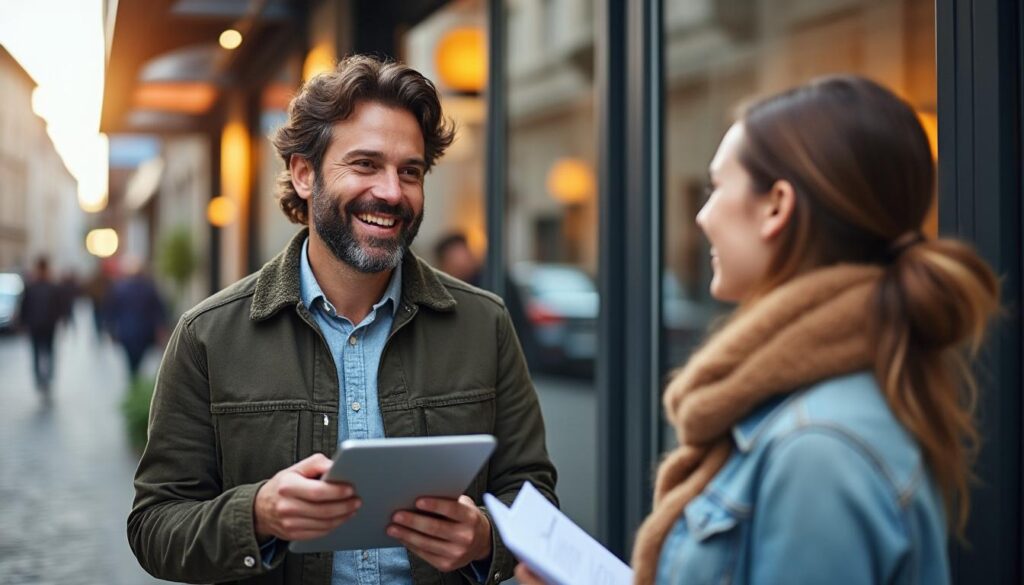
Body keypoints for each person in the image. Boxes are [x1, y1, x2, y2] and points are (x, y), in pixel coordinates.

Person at [517, 75, 999, 584]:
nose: (702, 217)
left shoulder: (817, 452)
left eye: (716, 187)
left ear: (776, 206)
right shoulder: (820, 415)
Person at [128, 55, 557, 585]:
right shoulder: (208, 335)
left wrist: (485, 538)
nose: (392, 193)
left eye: (410, 172)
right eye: (365, 164)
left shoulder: (484, 324)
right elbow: (155, 526)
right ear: (304, 174)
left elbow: (533, 498)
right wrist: (257, 513)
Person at [106, 257, 166, 378]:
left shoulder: (119, 288)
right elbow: (159, 311)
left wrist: (111, 330)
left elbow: (111, 311)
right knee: (138, 363)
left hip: (126, 332)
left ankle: (133, 378)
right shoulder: (148, 287)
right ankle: (135, 379)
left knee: (131, 363)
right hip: (144, 332)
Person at [19, 256, 63, 396]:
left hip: (41, 325)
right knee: (44, 352)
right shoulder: (47, 287)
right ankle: (44, 378)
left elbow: (24, 307)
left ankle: (43, 378)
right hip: (43, 325)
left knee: (40, 352)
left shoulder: (35, 286)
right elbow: (24, 307)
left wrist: (23, 322)